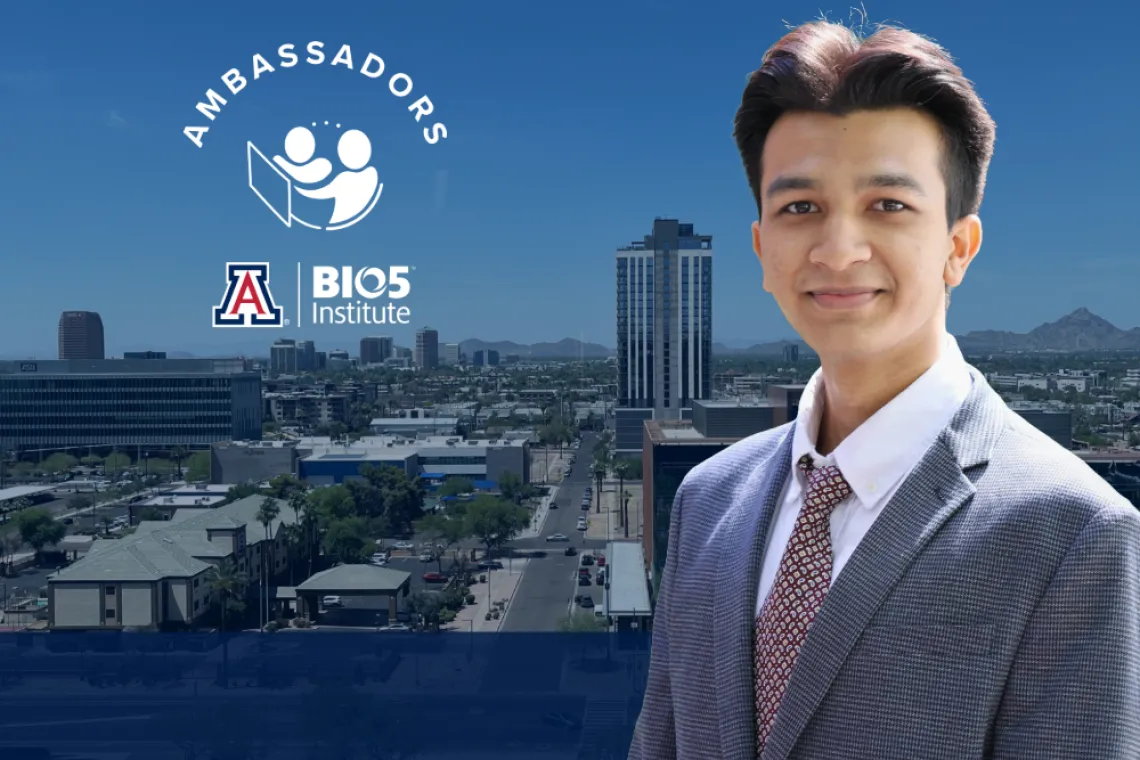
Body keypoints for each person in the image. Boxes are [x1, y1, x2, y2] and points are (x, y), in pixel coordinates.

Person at [629, 20, 1140, 760]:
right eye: (800, 207)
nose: (839, 250)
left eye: (888, 206)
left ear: (958, 248)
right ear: (763, 249)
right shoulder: (710, 498)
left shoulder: (1074, 534)